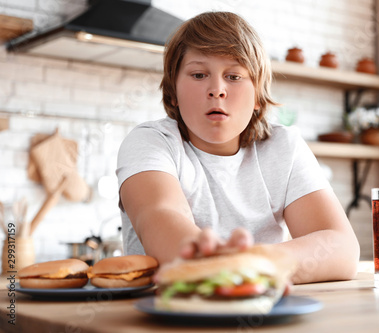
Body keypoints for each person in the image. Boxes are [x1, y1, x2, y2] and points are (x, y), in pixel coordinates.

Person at [117, 11, 359, 284]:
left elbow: (342, 249)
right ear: (173, 93)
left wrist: (249, 264)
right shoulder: (150, 142)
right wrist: (261, 266)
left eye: (233, 76)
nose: (217, 89)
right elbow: (163, 223)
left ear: (257, 95)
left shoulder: (284, 147)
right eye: (198, 74)